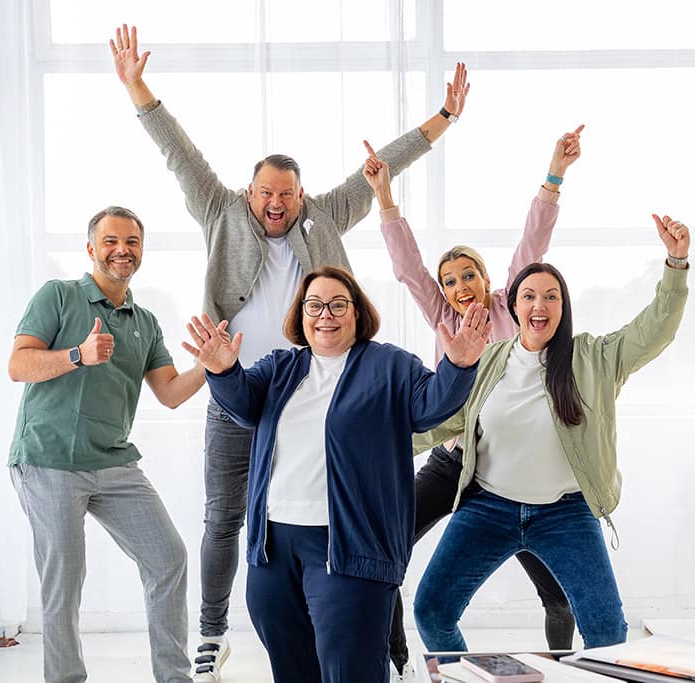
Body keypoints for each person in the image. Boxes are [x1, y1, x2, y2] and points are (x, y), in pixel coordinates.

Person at [110, 23, 470, 681]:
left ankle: (384, 646)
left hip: (330, 389)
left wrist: (443, 117)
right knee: (226, 518)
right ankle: (213, 633)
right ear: (251, 194)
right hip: (244, 388)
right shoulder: (220, 210)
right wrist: (138, 87)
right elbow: (179, 153)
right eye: (265, 194)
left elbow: (382, 166)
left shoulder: (326, 214)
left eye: (286, 194)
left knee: (357, 517)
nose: (275, 204)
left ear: (300, 196)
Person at [182, 266, 490, 683]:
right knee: (293, 671)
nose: (325, 313)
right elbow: (244, 403)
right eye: (314, 305)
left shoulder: (389, 365)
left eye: (338, 304)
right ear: (301, 315)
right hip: (274, 549)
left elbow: (430, 407)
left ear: (357, 313)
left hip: (350, 547)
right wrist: (222, 371)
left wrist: (459, 365)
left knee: (350, 671)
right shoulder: (280, 367)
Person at [411, 214, 691, 652]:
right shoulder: (489, 359)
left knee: (607, 632)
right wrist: (374, 446)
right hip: (488, 507)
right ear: (514, 307)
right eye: (529, 296)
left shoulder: (594, 357)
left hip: (566, 515)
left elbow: (655, 329)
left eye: (551, 296)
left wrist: (676, 264)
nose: (539, 305)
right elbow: (441, 421)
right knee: (431, 612)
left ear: (563, 307)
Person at [362, 126, 583, 671]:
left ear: (488, 280)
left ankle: (559, 663)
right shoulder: (443, 319)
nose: (461, 286)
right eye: (451, 280)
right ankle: (400, 660)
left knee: (556, 593)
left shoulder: (514, 308)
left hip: (511, 473)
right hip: (453, 461)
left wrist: (555, 173)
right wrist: (385, 197)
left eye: (469, 275)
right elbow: (408, 268)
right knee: (386, 548)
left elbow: (535, 244)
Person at [7, 206, 207, 683]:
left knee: (168, 557)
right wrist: (78, 355)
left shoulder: (146, 322)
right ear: (92, 248)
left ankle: (174, 677)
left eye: (133, 242)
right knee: (65, 580)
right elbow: (19, 365)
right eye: (112, 241)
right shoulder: (58, 296)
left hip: (113, 461)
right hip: (49, 458)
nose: (123, 250)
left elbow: (171, 393)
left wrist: (212, 367)